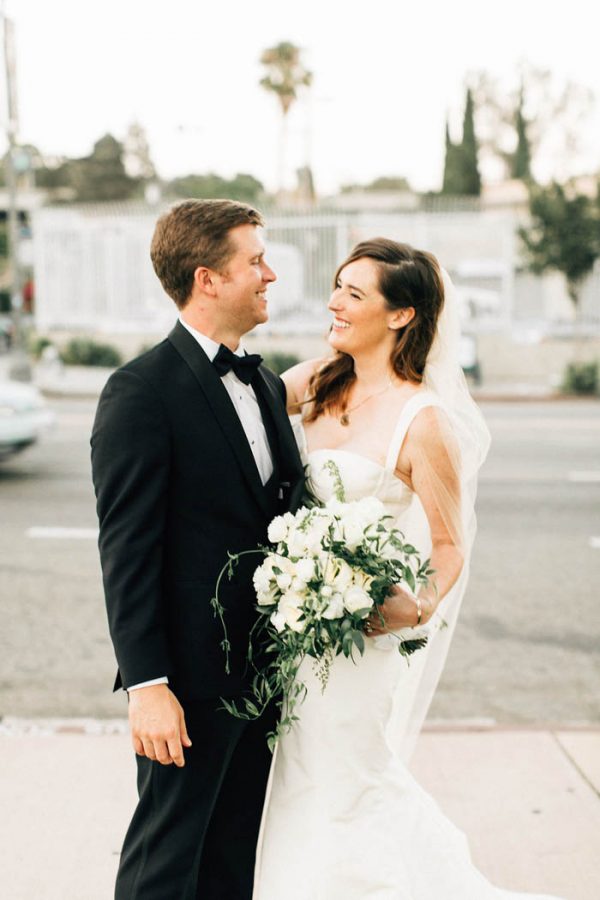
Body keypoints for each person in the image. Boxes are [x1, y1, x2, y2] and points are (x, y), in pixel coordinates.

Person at [253, 238, 563, 900]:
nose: (334, 301)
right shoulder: (314, 380)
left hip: (359, 642)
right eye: (337, 286)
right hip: (289, 630)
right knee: (290, 778)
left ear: (402, 315)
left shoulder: (424, 422)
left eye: (354, 293)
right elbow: (232, 435)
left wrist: (415, 607)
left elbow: (450, 544)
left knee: (343, 778)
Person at [91, 199, 305, 900]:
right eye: (255, 262)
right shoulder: (142, 391)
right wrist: (148, 687)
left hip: (263, 680)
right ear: (208, 278)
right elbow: (127, 550)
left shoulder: (267, 384)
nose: (270, 275)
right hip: (185, 686)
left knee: (229, 866)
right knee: (165, 865)